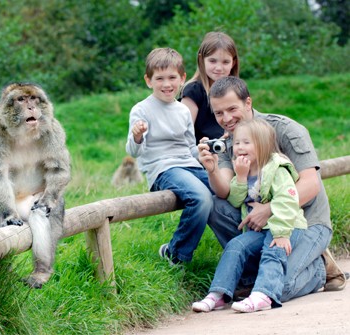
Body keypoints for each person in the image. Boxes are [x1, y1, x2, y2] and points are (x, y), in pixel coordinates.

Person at [198, 76, 346, 303]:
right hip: (264, 228)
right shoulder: (229, 143)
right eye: (219, 113)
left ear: (248, 103)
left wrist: (269, 209)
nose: (226, 118)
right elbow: (226, 191)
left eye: (232, 109)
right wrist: (211, 168)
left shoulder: (285, 129)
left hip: (305, 220)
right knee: (216, 205)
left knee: (279, 288)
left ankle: (319, 269)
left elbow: (311, 184)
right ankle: (250, 278)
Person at [192, 118, 307, 313]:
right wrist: (242, 177)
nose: (239, 147)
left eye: (246, 143)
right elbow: (237, 200)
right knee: (235, 246)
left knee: (273, 250)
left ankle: (263, 294)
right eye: (236, 143)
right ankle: (219, 294)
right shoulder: (245, 168)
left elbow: (288, 201)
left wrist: (280, 233)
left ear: (262, 145)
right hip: (262, 228)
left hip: (287, 225)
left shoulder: (277, 168)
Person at [126, 47, 213, 266]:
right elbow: (134, 152)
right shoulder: (141, 110)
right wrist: (137, 136)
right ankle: (176, 253)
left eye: (172, 77)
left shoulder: (182, 110)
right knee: (201, 198)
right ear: (148, 80)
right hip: (162, 170)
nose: (167, 84)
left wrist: (202, 152)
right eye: (160, 78)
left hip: (188, 165)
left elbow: (188, 149)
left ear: (182, 78)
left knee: (223, 190)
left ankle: (238, 247)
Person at [178, 31, 239, 143]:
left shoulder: (237, 90)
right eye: (212, 61)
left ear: (233, 62)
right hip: (202, 152)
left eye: (225, 62)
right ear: (202, 60)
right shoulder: (193, 91)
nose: (219, 68)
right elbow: (182, 133)